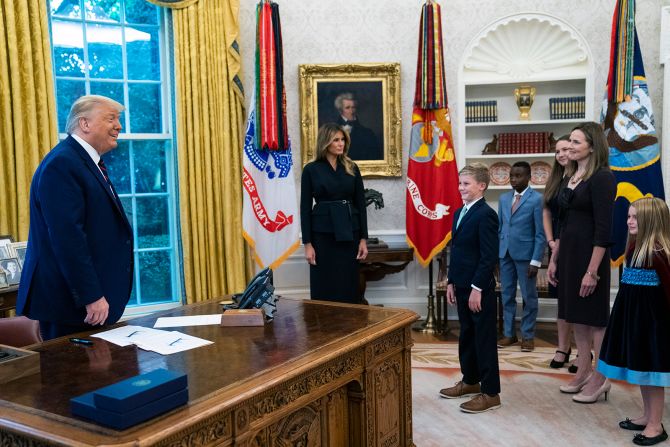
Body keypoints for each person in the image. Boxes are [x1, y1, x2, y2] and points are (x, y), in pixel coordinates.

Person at [17, 95, 134, 340]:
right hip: (71, 307)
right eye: (111, 118)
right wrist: (91, 296)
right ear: (85, 124)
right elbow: (67, 238)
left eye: (119, 119)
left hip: (86, 305)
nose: (119, 126)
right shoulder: (63, 164)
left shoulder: (85, 162)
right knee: (73, 378)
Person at [547, 122, 616, 402]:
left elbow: (604, 230)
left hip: (591, 259)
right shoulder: (570, 176)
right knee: (577, 318)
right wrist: (554, 260)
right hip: (569, 257)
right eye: (570, 142)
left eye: (576, 142)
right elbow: (563, 223)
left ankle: (601, 378)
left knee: (595, 320)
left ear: (592, 145)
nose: (569, 148)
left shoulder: (602, 178)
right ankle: (583, 371)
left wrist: (592, 271)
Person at [598, 197, 670, 446]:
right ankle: (647, 415)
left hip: (653, 323)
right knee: (640, 370)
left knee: (652, 374)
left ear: (651, 221)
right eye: (628, 216)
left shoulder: (659, 253)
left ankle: (656, 424)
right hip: (633, 318)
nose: (629, 221)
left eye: (635, 217)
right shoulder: (634, 247)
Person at [439, 162, 501, 413]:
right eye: (460, 183)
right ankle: (471, 381)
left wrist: (477, 288)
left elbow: (488, 256)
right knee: (467, 335)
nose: (460, 188)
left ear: (482, 186)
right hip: (461, 283)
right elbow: (458, 252)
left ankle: (491, 392)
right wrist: (451, 281)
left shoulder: (486, 214)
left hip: (478, 288)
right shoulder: (459, 213)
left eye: (466, 184)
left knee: (483, 338)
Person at [300, 122, 368, 304]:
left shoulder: (351, 167)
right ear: (325, 143)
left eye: (342, 140)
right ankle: (323, 330)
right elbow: (305, 209)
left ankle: (351, 329)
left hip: (349, 232)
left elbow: (361, 204)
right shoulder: (311, 170)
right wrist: (307, 243)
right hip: (322, 235)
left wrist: (363, 239)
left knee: (348, 284)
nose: (341, 144)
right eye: (336, 140)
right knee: (324, 285)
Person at [497, 161, 546, 352]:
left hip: (526, 257)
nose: (514, 180)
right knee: (507, 295)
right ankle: (509, 334)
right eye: (511, 176)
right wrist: (497, 255)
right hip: (505, 254)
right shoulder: (503, 198)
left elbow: (540, 233)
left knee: (529, 297)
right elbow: (501, 227)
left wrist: (536, 260)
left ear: (529, 177)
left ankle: (528, 336)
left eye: (518, 176)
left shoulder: (537, 199)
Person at [543, 135, 576, 369]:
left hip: (574, 244)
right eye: (558, 151)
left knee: (575, 301)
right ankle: (563, 348)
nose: (562, 154)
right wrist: (551, 241)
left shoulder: (581, 179)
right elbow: (546, 211)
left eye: (566, 149)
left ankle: (584, 354)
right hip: (555, 244)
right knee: (561, 301)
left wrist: (560, 242)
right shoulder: (556, 179)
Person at [334, 92, 381, 160]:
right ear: (340, 110)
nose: (352, 111)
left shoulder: (368, 133)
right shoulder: (330, 131)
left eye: (353, 107)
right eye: (347, 108)